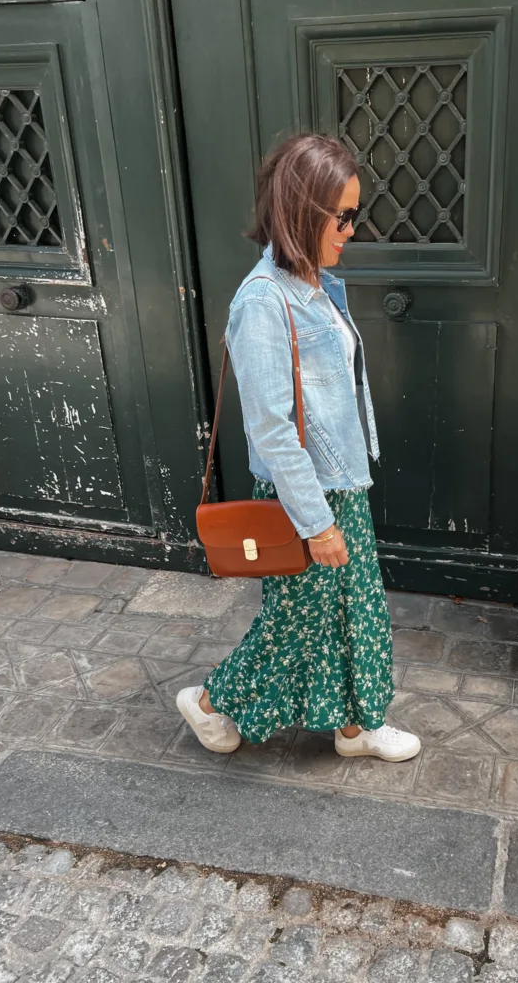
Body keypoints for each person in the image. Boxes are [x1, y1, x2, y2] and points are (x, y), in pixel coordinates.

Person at [177, 134, 421, 763]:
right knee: (297, 624)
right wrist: (317, 522)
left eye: (352, 215)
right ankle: (207, 705)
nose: (350, 229)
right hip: (306, 495)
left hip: (341, 484)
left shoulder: (314, 285)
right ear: (302, 212)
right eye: (341, 217)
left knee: (355, 608)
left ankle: (355, 727)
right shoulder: (263, 303)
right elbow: (272, 429)